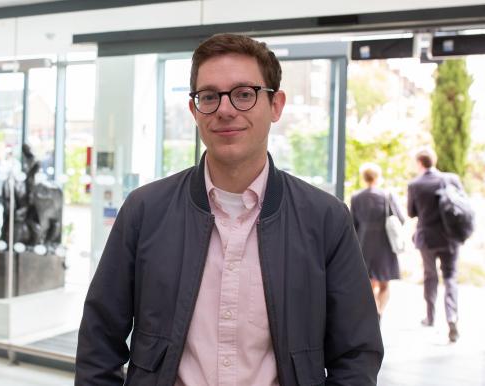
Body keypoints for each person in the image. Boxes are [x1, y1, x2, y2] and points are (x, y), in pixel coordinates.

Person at [75, 34, 383, 386]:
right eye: (209, 96)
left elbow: (357, 354)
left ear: (276, 105)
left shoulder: (325, 218)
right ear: (194, 110)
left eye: (244, 94)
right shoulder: (145, 211)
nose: (224, 109)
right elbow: (99, 340)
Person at [407, 148, 463, 343]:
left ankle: (430, 316)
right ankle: (452, 318)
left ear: (420, 163)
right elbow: (461, 204)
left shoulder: (415, 184)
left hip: (427, 238)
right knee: (450, 278)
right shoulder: (451, 179)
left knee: (430, 276)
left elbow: (411, 213)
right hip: (450, 238)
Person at [350, 163, 405, 320]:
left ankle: (375, 311)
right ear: (378, 177)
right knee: (384, 283)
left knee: (368, 283)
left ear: (364, 178)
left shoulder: (356, 197)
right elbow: (400, 219)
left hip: (364, 243)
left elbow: (352, 223)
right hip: (384, 243)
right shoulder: (387, 195)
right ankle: (380, 311)